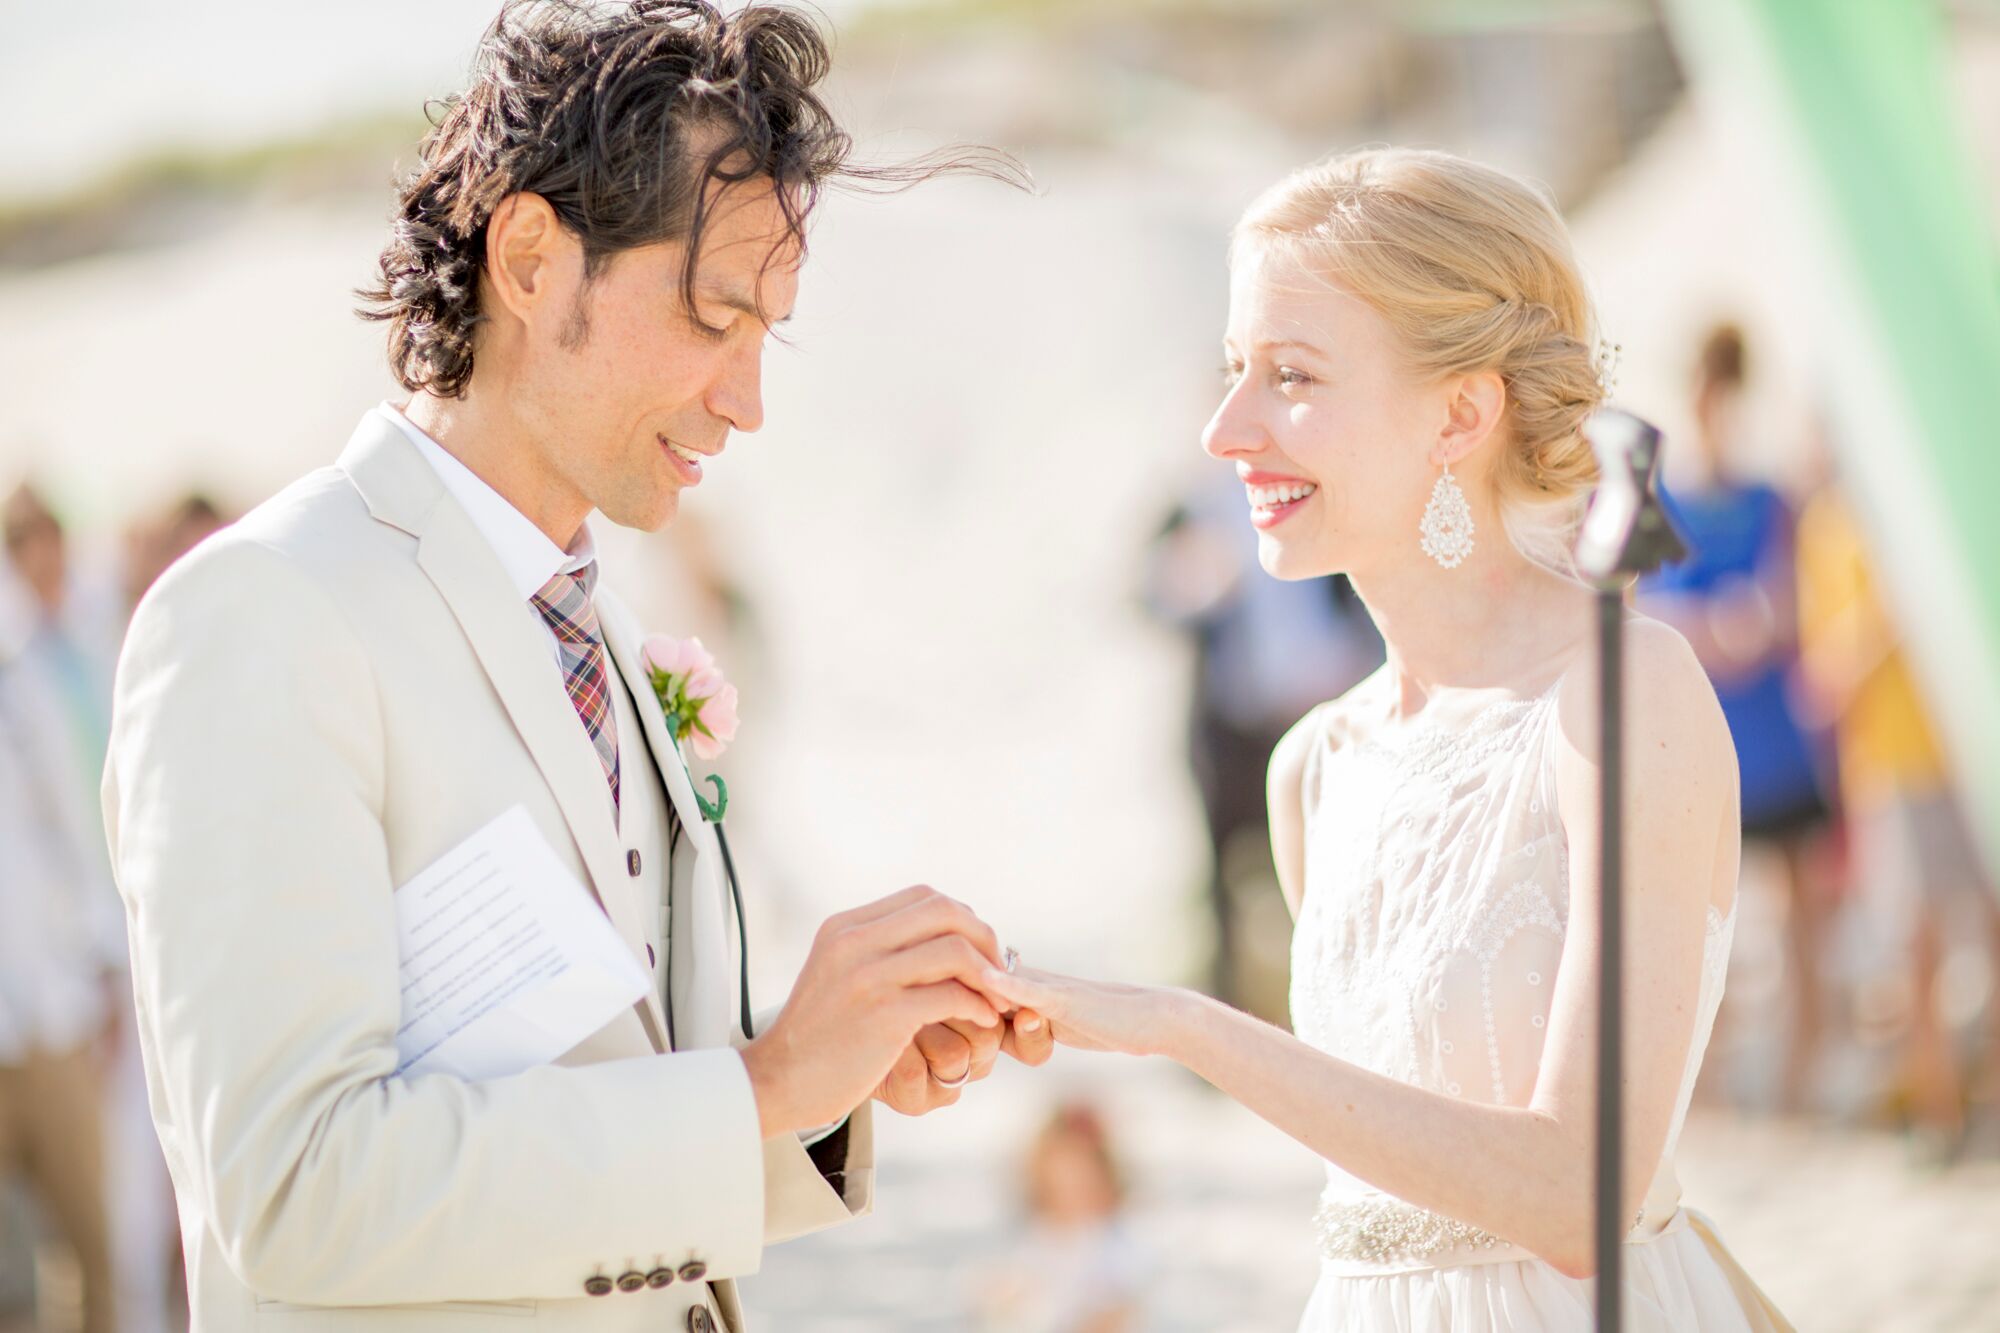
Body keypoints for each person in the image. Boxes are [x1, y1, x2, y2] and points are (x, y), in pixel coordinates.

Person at [100, 4, 1047, 1331]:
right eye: (717, 316)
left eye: (768, 333)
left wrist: (821, 1079)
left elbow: (602, 1070)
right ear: (534, 259)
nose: (748, 399)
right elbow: (294, 1191)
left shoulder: (594, 624)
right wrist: (761, 1088)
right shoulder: (265, 613)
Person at [981, 148, 1791, 1331]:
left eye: (1290, 375)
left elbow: (1578, 1198)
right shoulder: (1313, 767)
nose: (1223, 428)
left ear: (1460, 411)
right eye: (1231, 370)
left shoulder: (1620, 696)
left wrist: (1186, 1028)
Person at [1639, 325, 1834, 1114]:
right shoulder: (1662, 498)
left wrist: (1750, 625)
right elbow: (1631, 607)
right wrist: (1710, 626)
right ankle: (1707, 1082)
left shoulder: (1769, 498)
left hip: (1774, 734)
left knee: (1798, 914)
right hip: (1701, 735)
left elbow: (1793, 605)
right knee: (1696, 921)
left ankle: (1797, 1076)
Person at [1794, 474, 2000, 1162]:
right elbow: (1826, 675)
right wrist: (1896, 619)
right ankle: (1939, 1112)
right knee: (1919, 947)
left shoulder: (1943, 497)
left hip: (1970, 749)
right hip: (1897, 765)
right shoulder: (1831, 523)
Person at [0, 486, 127, 1333]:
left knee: (95, 1256)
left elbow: (77, 841)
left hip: (46, 1017)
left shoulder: (24, 678)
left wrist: (102, 970)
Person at [976, 1102, 1144, 1333]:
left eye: (1080, 1181)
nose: (1069, 1194)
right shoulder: (1037, 1233)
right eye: (1060, 1184)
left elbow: (1117, 1308)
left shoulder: (1113, 1241)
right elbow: (1015, 1285)